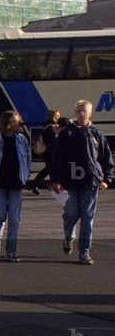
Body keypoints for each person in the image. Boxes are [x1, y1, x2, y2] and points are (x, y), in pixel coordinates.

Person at [50, 100, 114, 265]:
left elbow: (106, 157)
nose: (81, 114)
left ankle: (84, 251)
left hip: (90, 182)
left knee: (87, 217)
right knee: (71, 214)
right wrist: (56, 180)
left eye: (84, 111)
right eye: (78, 111)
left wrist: (107, 179)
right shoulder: (66, 134)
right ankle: (69, 236)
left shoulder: (96, 134)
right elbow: (57, 158)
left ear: (90, 113)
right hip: (70, 182)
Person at [0, 110, 31, 262]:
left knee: (14, 219)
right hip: (0, 183)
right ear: (8, 123)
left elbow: (28, 160)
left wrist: (25, 177)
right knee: (0, 215)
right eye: (15, 121)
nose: (18, 124)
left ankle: (12, 250)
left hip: (16, 183)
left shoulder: (22, 140)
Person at [30, 109, 61, 195]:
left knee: (49, 169)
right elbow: (52, 141)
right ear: (52, 117)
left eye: (58, 116)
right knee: (49, 169)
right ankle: (36, 185)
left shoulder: (48, 126)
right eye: (56, 116)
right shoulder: (51, 127)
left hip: (48, 152)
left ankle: (39, 184)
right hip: (50, 152)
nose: (57, 118)